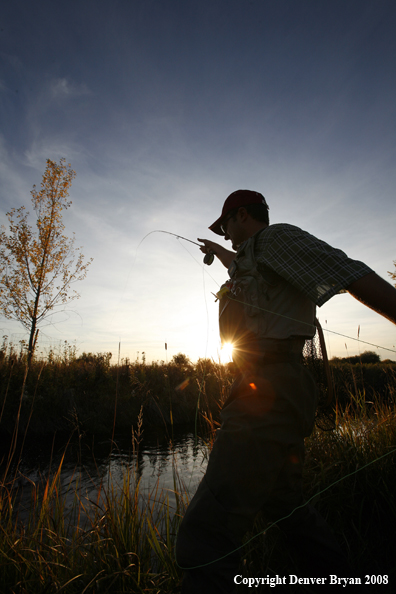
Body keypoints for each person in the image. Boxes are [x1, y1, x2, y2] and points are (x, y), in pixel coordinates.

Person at [175, 190, 396, 593]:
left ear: (242, 215)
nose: (224, 235)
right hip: (263, 386)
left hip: (269, 391)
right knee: (284, 505)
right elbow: (241, 267)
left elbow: (345, 270)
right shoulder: (252, 256)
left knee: (205, 537)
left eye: (225, 226)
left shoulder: (277, 239)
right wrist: (218, 252)